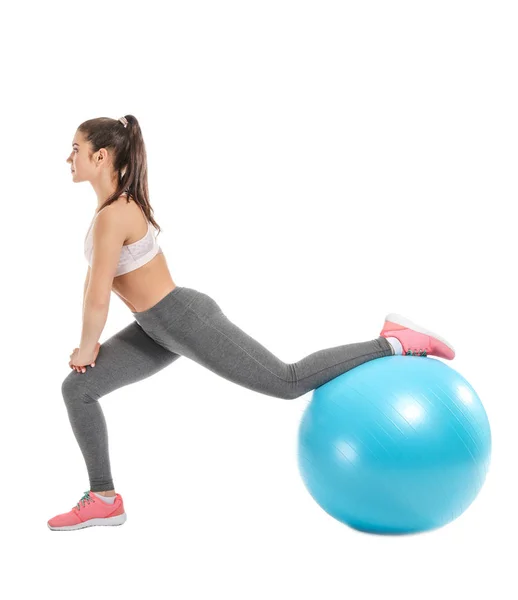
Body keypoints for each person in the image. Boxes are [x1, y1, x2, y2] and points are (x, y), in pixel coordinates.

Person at [47, 114, 455, 532]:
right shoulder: (109, 212)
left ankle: (394, 342)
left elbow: (99, 297)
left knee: (288, 381)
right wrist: (88, 347)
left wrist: (86, 346)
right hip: (156, 327)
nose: (68, 158)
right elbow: (91, 288)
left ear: (100, 157)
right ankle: (103, 498)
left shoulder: (115, 214)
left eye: (75, 149)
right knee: (78, 388)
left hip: (180, 317)